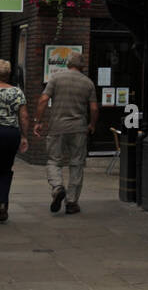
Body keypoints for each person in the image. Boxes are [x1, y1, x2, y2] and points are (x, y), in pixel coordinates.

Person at [34, 53, 99, 215]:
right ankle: (71, 202)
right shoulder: (88, 83)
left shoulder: (56, 78)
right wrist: (92, 124)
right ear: (82, 66)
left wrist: (38, 121)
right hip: (79, 129)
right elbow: (94, 108)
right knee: (76, 163)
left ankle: (57, 186)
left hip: (57, 127)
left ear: (68, 64)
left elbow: (43, 100)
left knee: (54, 160)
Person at [0, 59, 29, 223]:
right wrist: (24, 137)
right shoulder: (17, 92)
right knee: (5, 168)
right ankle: (2, 202)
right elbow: (24, 116)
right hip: (10, 133)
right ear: (8, 74)